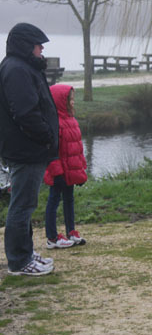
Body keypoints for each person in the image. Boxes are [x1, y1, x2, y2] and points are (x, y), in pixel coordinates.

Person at [0, 23, 59, 276]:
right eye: (38, 44)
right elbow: (25, 113)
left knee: (24, 204)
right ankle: (19, 261)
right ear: (26, 45)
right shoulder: (17, 69)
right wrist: (46, 137)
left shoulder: (21, 67)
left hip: (27, 148)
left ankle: (25, 252)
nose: (42, 49)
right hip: (26, 149)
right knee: (22, 206)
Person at [44, 84, 87, 249]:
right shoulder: (54, 124)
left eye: (73, 99)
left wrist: (80, 172)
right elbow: (51, 151)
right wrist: (57, 173)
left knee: (69, 200)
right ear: (60, 101)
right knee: (53, 200)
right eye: (70, 99)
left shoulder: (71, 120)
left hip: (70, 172)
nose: (73, 102)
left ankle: (71, 231)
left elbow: (77, 149)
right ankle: (52, 237)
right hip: (59, 172)